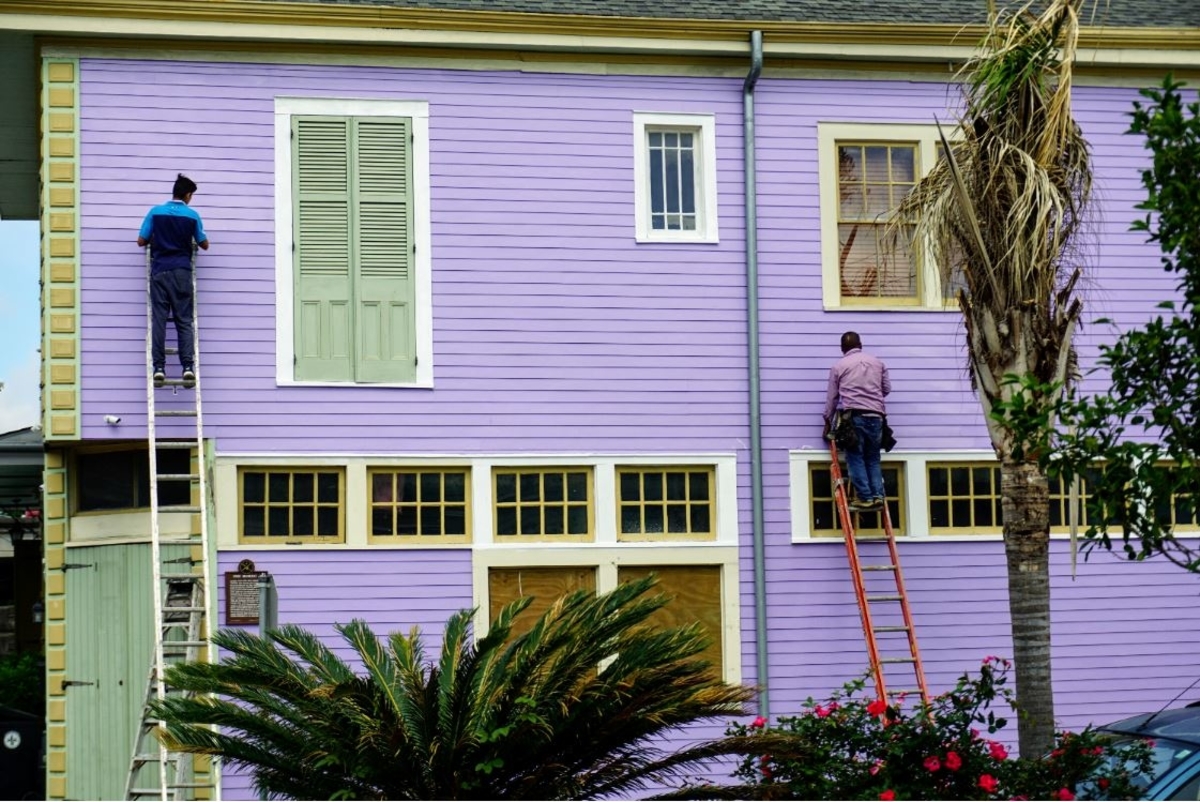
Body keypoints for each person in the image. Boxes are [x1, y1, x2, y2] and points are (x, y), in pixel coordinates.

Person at [138, 173, 209, 388]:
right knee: (184, 321)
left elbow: (141, 241)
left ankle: (159, 368)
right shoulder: (192, 215)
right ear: (187, 195)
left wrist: (158, 239)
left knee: (159, 320)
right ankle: (188, 367)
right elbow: (204, 243)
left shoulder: (155, 212)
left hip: (159, 271)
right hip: (181, 272)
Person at [823, 331, 891, 511]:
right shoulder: (878, 363)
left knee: (855, 457)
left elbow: (833, 398)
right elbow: (886, 389)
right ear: (860, 345)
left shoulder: (839, 366)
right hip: (877, 417)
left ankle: (866, 497)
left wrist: (827, 420)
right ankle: (877, 496)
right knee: (873, 458)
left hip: (854, 417)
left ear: (842, 348)